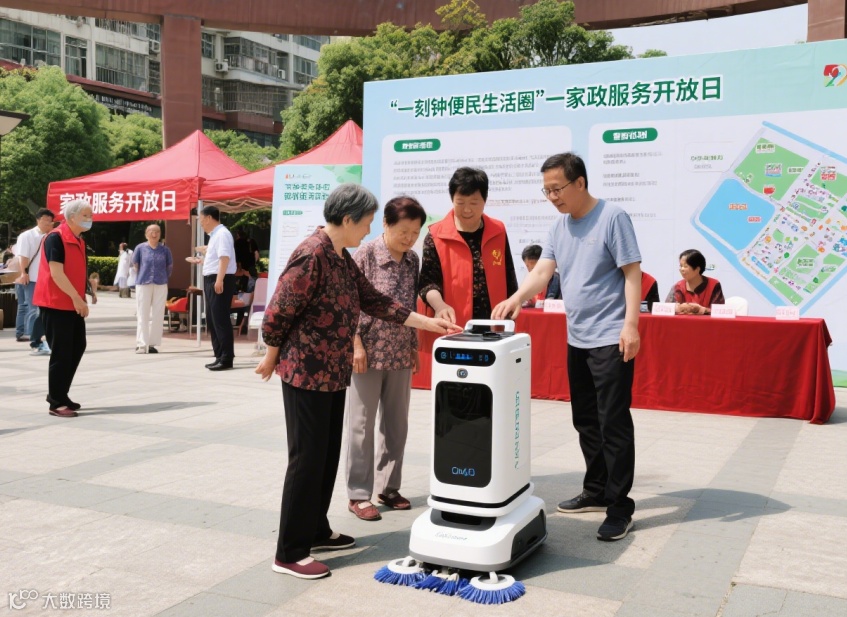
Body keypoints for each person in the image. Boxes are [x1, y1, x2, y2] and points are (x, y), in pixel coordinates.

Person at [255, 183, 460, 580]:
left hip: (333, 373)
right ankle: (289, 552)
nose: (368, 230)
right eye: (366, 223)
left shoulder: (340, 258)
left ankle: (316, 530)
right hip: (306, 373)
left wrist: (428, 323)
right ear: (347, 219)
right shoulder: (312, 254)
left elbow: (376, 301)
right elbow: (278, 312)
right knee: (306, 460)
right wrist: (271, 354)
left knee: (326, 455)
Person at [492, 152, 642, 542]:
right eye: (547, 191)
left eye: (557, 189)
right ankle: (596, 490)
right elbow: (543, 271)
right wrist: (516, 298)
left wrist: (630, 326)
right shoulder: (559, 226)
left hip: (611, 337)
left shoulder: (613, 217)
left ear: (580, 183)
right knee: (586, 420)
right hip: (577, 337)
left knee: (613, 422)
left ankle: (620, 506)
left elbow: (632, 274)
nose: (553, 197)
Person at [345, 196, 426, 521]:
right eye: (403, 231)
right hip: (367, 352)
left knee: (396, 424)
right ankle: (358, 494)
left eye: (415, 232)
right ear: (386, 224)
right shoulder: (365, 254)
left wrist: (413, 345)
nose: (409, 238)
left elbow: (410, 306)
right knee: (361, 426)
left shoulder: (413, 260)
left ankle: (389, 487)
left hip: (400, 352)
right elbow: (349, 303)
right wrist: (355, 345)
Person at [419, 167, 518, 328]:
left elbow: (509, 276)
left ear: (485, 200)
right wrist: (440, 306)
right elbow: (427, 284)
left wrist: (513, 305)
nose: (467, 209)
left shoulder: (497, 230)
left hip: (495, 322)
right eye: (460, 203)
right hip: (453, 324)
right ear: (452, 200)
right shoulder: (436, 235)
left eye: (473, 203)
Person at [32, 199, 97, 418]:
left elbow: (77, 270)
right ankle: (56, 402)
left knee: (77, 346)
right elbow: (56, 273)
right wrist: (77, 299)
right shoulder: (56, 238)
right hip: (55, 302)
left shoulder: (79, 240)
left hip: (72, 302)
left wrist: (86, 292)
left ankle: (60, 394)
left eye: (90, 215)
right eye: (85, 215)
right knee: (61, 352)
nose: (90, 219)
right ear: (71, 217)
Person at [15, 208, 55, 355]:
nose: (48, 223)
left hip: (46, 279)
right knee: (33, 309)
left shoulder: (51, 236)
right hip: (31, 278)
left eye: (50, 220)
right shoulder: (27, 236)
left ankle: (35, 337)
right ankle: (33, 340)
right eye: (45, 219)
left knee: (40, 310)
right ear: (38, 220)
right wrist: (23, 272)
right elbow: (23, 256)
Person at [132, 224, 173, 354]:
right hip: (143, 283)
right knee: (142, 313)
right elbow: (135, 265)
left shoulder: (165, 250)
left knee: (158, 315)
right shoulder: (140, 248)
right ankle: (141, 344)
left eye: (157, 232)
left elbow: (169, 266)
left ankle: (152, 344)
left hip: (161, 284)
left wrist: (162, 276)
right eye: (151, 231)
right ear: (146, 234)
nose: (154, 234)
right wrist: (143, 275)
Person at [666, 249, 724, 315]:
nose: (682, 269)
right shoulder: (678, 287)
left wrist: (702, 310)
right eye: (681, 266)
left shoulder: (713, 285)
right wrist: (677, 308)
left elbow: (720, 312)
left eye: (685, 266)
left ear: (697, 269)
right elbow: (666, 309)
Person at [232, 262, 256, 335]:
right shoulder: (229, 277)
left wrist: (249, 276)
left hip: (242, 300)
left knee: (246, 308)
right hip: (232, 300)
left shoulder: (246, 277)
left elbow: (252, 288)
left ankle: (242, 327)